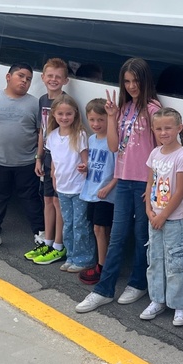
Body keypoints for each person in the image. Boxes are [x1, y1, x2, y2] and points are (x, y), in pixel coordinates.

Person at [75, 58, 160, 313]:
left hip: (144, 182)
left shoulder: (153, 109)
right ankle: (104, 289)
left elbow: (159, 151)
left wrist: (152, 184)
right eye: (127, 81)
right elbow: (113, 146)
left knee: (141, 236)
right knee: (118, 236)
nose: (132, 86)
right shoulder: (122, 109)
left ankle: (137, 283)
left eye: (136, 81)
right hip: (122, 180)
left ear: (145, 80)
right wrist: (112, 117)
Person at [0, 63, 46, 254]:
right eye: (20, 76)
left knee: (31, 199)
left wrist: (38, 157)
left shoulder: (34, 103)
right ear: (8, 77)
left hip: (26, 162)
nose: (24, 81)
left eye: (28, 79)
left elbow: (41, 133)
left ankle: (40, 233)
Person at [140, 107, 183, 326]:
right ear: (153, 130)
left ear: (179, 128)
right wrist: (149, 210)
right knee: (155, 259)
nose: (163, 132)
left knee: (176, 261)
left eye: (168, 128)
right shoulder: (154, 153)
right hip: (155, 217)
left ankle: (179, 305)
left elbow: (180, 191)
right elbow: (150, 182)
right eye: (159, 128)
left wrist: (163, 216)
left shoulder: (182, 156)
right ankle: (157, 299)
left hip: (174, 219)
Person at [24, 59, 70, 263]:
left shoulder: (66, 104)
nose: (53, 80)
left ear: (65, 80)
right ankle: (48, 242)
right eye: (49, 76)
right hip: (47, 158)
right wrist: (38, 157)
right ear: (42, 77)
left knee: (59, 203)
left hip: (60, 161)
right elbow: (42, 130)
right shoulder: (42, 100)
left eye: (58, 77)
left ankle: (59, 245)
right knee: (47, 200)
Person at [42, 94, 93, 271]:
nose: (64, 118)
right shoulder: (52, 136)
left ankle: (84, 258)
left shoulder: (79, 135)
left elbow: (85, 161)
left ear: (75, 114)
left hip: (78, 188)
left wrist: (84, 167)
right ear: (54, 115)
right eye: (61, 114)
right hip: (62, 188)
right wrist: (54, 177)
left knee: (80, 224)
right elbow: (55, 161)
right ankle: (71, 256)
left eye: (68, 114)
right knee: (68, 223)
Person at [78, 98, 117, 286]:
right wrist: (85, 168)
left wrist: (109, 187)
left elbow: (120, 169)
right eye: (92, 120)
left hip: (106, 194)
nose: (96, 124)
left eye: (101, 120)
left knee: (100, 229)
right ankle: (104, 261)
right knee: (98, 228)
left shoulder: (112, 140)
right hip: (91, 191)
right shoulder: (91, 139)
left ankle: (102, 266)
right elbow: (92, 163)